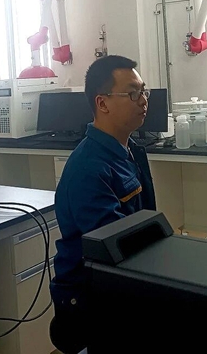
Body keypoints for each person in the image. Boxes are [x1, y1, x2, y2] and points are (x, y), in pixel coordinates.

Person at [49, 55, 156, 354]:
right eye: (132, 93)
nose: (143, 100)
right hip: (92, 299)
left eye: (143, 91)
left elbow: (145, 221)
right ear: (103, 103)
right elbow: (116, 246)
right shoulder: (89, 168)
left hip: (124, 283)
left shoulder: (130, 150)